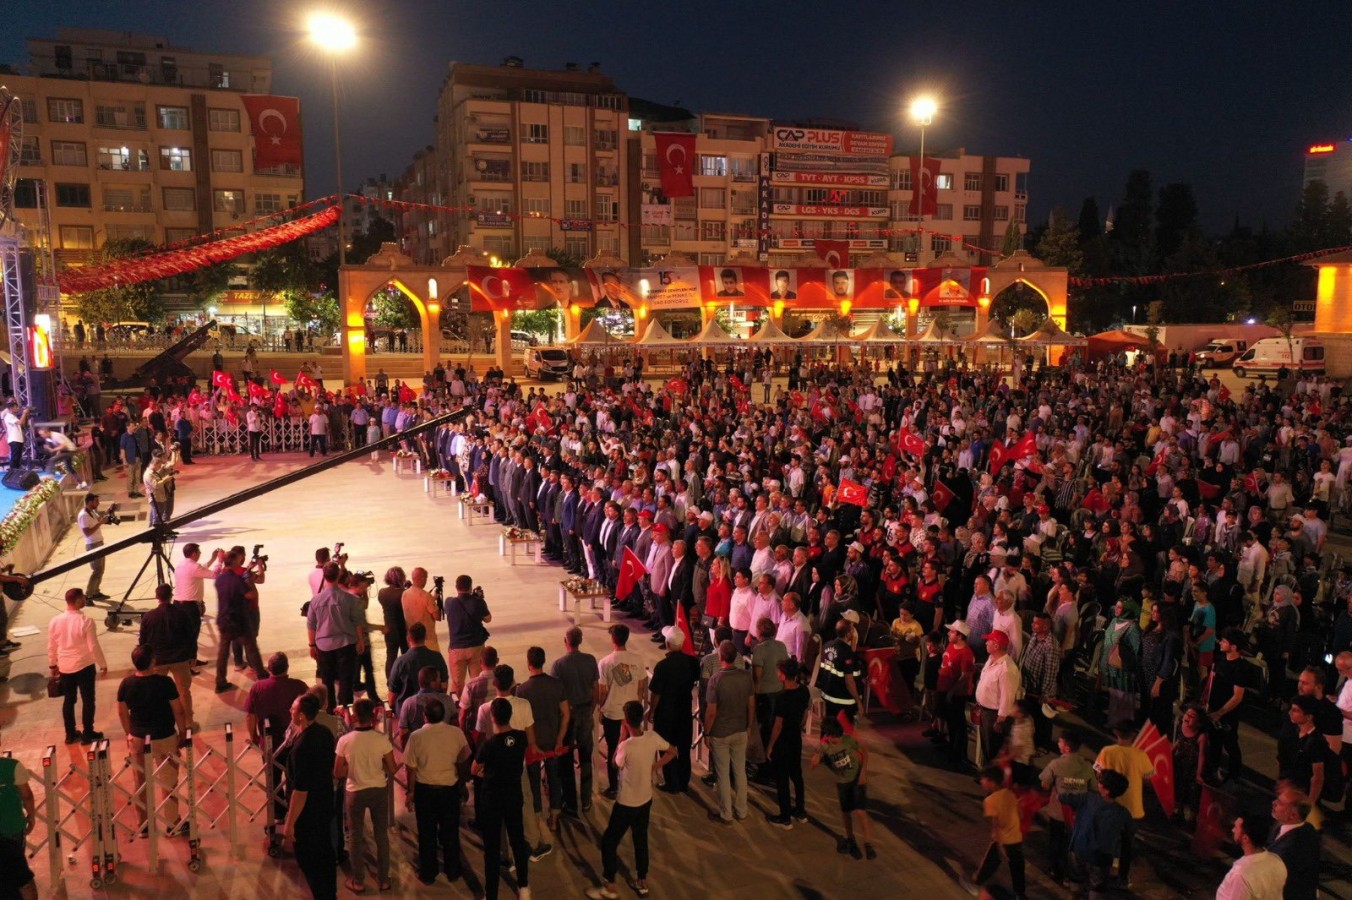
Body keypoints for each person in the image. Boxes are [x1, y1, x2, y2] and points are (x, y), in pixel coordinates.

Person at [586, 700, 675, 900]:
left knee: (609, 842)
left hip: (626, 802)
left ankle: (610, 884)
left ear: (626, 721)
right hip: (645, 799)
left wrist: (622, 737)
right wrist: (655, 766)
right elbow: (673, 750)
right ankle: (642, 880)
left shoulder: (627, 745)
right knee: (640, 838)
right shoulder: (652, 737)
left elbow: (614, 764)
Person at [116, 643, 186, 836]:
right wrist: (182, 732)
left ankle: (144, 824)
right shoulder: (165, 683)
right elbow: (178, 710)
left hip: (139, 738)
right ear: (153, 661)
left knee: (140, 781)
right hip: (164, 736)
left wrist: (128, 733)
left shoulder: (126, 684)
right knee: (168, 780)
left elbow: (122, 712)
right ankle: (172, 822)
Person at [403, 697, 470, 886]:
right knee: (450, 831)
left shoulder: (416, 736)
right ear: (444, 715)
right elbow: (464, 759)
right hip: (449, 789)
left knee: (426, 833)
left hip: (425, 791)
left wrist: (410, 792)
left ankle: (428, 872)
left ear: (425, 716)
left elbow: (411, 769)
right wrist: (462, 785)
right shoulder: (456, 733)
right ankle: (453, 870)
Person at [472, 697, 533, 900]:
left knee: (491, 847)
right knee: (517, 840)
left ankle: (492, 895)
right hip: (514, 795)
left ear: (493, 717)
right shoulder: (521, 738)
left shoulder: (488, 745)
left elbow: (474, 769)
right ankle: (523, 887)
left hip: (492, 799)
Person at [334, 698, 396, 894]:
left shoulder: (345, 741)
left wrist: (350, 767)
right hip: (378, 789)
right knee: (381, 835)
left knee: (355, 836)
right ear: (374, 715)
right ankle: (384, 879)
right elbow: (392, 768)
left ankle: (358, 880)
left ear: (354, 717)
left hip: (355, 791)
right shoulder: (381, 739)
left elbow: (337, 772)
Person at [282, 693, 337, 900]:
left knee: (309, 860)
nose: (290, 711)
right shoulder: (323, 733)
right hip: (324, 804)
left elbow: (300, 791)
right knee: (325, 855)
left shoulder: (302, 747)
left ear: (302, 716)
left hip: (308, 814)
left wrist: (290, 823)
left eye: (293, 709)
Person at [1093, 721, 1154, 889]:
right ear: (1133, 735)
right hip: (1132, 807)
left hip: (1111, 803)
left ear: (1115, 733)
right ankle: (1123, 877)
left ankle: (1106, 872)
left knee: (1109, 840)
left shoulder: (1107, 752)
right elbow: (1149, 777)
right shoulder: (1141, 754)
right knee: (1127, 844)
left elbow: (1098, 772)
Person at [517, 646, 570, 832]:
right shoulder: (556, 685)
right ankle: (555, 817)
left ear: (528, 664)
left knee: (533, 781)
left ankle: (538, 817)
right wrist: (560, 739)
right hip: (552, 740)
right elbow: (566, 714)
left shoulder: (522, 690)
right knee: (554, 778)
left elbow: (522, 721)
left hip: (533, 744)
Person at [47, 587, 107, 744]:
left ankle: (70, 734)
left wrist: (53, 665)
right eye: (83, 598)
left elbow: (51, 645)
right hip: (84, 665)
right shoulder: (85, 621)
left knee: (69, 700)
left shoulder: (55, 621)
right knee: (88, 700)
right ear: (78, 600)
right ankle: (88, 733)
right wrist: (102, 664)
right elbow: (93, 646)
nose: (85, 599)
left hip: (65, 666)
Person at [551, 627, 600, 814]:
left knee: (566, 758)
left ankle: (570, 802)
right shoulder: (590, 660)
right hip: (586, 711)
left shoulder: (558, 665)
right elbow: (595, 687)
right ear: (581, 641)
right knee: (586, 756)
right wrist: (593, 707)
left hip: (568, 716)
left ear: (566, 641)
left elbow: (556, 693)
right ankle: (586, 799)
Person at [705, 639, 755, 824]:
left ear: (720, 657)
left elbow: (711, 712)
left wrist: (707, 732)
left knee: (723, 774)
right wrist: (748, 727)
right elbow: (751, 705)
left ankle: (726, 813)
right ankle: (742, 810)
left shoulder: (715, 680)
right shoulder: (746, 677)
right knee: (740, 771)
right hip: (740, 730)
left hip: (720, 733)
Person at [811, 715, 875, 860]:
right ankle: (851, 839)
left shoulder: (848, 740)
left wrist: (863, 772)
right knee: (846, 813)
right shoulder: (825, 745)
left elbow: (865, 752)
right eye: (833, 737)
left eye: (838, 737)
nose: (836, 740)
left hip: (857, 780)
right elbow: (818, 752)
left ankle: (867, 843)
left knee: (860, 812)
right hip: (842, 782)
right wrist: (815, 758)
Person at [1061, 769, 1132, 896]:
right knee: (1097, 888)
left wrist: (1072, 783)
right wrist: (1116, 864)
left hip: (1079, 850)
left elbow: (1063, 797)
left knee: (1076, 883)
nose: (1098, 784)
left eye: (1101, 783)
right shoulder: (1123, 813)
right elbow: (1124, 841)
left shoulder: (1088, 798)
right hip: (1102, 858)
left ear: (1106, 790)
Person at [647, 625, 700, 794]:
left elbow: (656, 693)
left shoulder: (662, 666)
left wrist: (651, 711)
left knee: (667, 746)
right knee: (684, 747)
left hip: (666, 713)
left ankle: (672, 782)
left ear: (668, 643)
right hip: (684, 710)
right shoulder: (692, 662)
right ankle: (684, 781)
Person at [1039, 729, 1097, 884]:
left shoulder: (1056, 764)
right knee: (1072, 843)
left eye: (1060, 742)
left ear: (1067, 748)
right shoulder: (1086, 766)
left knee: (1055, 840)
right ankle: (1071, 872)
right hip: (1078, 814)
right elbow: (1094, 788)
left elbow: (1045, 784)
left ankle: (1054, 869)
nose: (1058, 743)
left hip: (1058, 812)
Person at [307, 561, 366, 709]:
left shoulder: (315, 601)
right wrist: (360, 641)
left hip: (324, 646)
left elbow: (311, 625)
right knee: (346, 680)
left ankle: (331, 710)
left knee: (327, 681)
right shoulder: (351, 599)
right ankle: (345, 710)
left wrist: (312, 645)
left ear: (324, 577)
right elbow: (357, 622)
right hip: (346, 645)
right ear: (339, 575)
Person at [138, 583, 197, 728]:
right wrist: (192, 655)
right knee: (184, 692)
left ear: (156, 597)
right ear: (171, 596)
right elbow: (190, 636)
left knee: (158, 693)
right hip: (180, 659)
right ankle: (188, 723)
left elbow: (143, 640)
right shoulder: (181, 614)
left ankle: (162, 724)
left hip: (157, 660)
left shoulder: (148, 617)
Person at [598, 624, 647, 800]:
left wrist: (599, 707)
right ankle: (632, 783)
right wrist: (638, 703)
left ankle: (613, 787)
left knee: (613, 748)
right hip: (632, 712)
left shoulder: (605, 662)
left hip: (612, 712)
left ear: (613, 639)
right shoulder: (638, 660)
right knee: (632, 747)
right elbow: (642, 686)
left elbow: (602, 690)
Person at [1206, 628, 1258, 783]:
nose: (1220, 643)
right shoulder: (1222, 659)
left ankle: (1234, 775)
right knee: (1214, 741)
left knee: (1230, 743)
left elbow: (1237, 696)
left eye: (1224, 641)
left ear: (1234, 647)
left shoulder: (1241, 668)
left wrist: (1220, 713)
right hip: (1214, 707)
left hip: (1228, 713)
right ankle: (1213, 769)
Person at [766, 657, 810, 828]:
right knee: (797, 775)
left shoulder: (782, 697)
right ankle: (800, 810)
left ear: (783, 675)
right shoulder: (804, 691)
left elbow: (778, 725)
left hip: (783, 742)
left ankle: (785, 817)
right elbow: (805, 713)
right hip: (795, 739)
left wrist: (770, 746)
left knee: (782, 778)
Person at [214, 547, 265, 694]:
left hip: (223, 618)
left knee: (223, 652)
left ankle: (220, 681)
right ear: (234, 561)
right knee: (251, 646)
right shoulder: (237, 579)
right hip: (238, 619)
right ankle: (261, 675)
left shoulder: (220, 579)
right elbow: (250, 595)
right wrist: (248, 576)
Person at [0, 726, 38, 900]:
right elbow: (27, 795)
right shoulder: (12, 766)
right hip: (12, 828)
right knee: (17, 867)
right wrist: (31, 816)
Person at [974, 630, 1021, 767]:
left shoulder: (1006, 669)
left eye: (989, 641)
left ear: (996, 645)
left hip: (994, 715)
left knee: (993, 748)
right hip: (985, 711)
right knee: (986, 747)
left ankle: (995, 779)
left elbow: (1007, 696)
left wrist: (1000, 720)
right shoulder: (991, 659)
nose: (986, 642)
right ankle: (988, 775)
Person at [1215, 809, 1287, 899]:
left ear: (1245, 838)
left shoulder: (1241, 875)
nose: (1233, 830)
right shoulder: (1277, 861)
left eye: (1236, 828)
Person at [173, 542, 223, 668]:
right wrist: (220, 561)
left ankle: (191, 660)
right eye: (199, 552)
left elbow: (202, 568)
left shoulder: (182, 564)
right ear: (194, 554)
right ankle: (189, 664)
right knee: (191, 635)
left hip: (178, 604)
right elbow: (215, 574)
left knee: (185, 635)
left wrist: (212, 558)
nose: (200, 554)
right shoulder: (194, 568)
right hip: (189, 607)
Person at [245, 652, 308, 750]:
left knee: (269, 765)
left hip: (267, 744)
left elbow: (250, 716)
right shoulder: (299, 686)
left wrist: (254, 737)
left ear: (269, 668)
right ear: (287, 667)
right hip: (294, 742)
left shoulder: (257, 687)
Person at [1268, 788, 1319, 900]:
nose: (1274, 802)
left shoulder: (1288, 850)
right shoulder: (1307, 828)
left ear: (1293, 816)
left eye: (1280, 803)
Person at [388, 622, 449, 713]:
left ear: (408, 638)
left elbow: (392, 694)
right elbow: (444, 686)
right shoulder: (437, 657)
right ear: (425, 637)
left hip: (407, 710)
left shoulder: (400, 662)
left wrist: (392, 706)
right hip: (434, 709)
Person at [446, 574, 492, 695]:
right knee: (477, 681)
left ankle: (460, 708)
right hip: (476, 647)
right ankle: (476, 706)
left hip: (456, 649)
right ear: (470, 587)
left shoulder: (449, 603)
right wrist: (479, 599)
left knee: (457, 684)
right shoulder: (478, 602)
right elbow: (488, 619)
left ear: (456, 587)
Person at [76, 494, 112, 601]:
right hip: (92, 545)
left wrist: (108, 512)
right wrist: (100, 523)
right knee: (96, 570)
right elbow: (87, 533)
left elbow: (100, 520)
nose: (98, 503)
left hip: (99, 542)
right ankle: (88, 595)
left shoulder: (91, 511)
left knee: (101, 570)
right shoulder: (83, 515)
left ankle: (95, 592)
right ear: (90, 502)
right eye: (96, 501)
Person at [401, 567, 443, 655]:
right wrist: (436, 604)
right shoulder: (426, 596)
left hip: (412, 640)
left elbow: (419, 605)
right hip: (427, 639)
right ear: (422, 578)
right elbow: (437, 616)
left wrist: (433, 599)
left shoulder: (405, 594)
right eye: (426, 578)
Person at [3, 399, 30, 470]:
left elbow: (23, 425)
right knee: (15, 457)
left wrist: (25, 415)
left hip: (18, 439)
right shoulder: (8, 416)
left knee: (18, 457)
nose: (18, 408)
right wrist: (24, 413)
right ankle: (12, 471)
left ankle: (17, 471)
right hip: (14, 439)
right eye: (16, 407)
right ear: (11, 408)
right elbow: (20, 423)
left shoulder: (14, 416)